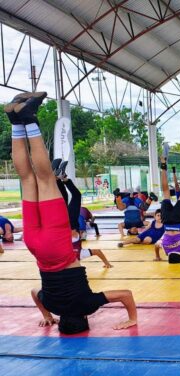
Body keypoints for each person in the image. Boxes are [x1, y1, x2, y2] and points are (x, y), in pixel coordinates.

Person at [5, 92, 136, 333]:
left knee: (46, 179)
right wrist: (47, 315)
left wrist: (132, 319)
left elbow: (126, 294)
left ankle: (29, 119)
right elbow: (34, 292)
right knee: (27, 179)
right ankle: (15, 122)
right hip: (35, 246)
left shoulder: (87, 305)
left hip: (57, 246)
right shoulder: (52, 304)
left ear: (84, 319)